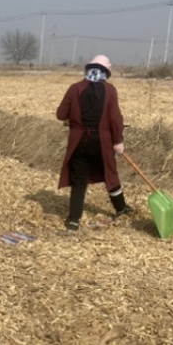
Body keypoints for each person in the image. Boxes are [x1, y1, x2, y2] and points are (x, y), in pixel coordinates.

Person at [56, 54, 131, 231]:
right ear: (106, 72)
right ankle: (121, 209)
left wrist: (73, 117)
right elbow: (115, 119)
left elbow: (61, 114)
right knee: (110, 175)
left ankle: (73, 220)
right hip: (102, 142)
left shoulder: (75, 88)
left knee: (79, 181)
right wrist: (118, 140)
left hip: (78, 141)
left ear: (88, 69)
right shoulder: (110, 90)